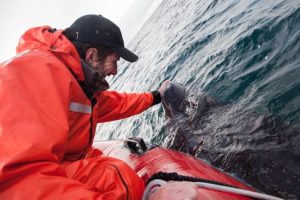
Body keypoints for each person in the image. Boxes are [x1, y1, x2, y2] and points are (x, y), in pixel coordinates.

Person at [0, 14, 199, 199]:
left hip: (59, 167)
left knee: (120, 177)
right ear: (92, 55)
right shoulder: (34, 73)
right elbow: (19, 180)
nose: (115, 71)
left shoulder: (76, 83)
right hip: (33, 183)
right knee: (119, 181)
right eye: (114, 61)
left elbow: (114, 103)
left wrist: (154, 97)